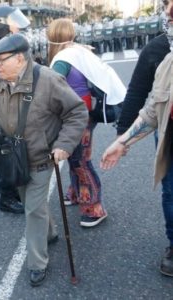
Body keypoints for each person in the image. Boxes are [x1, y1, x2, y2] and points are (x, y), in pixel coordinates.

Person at [0, 33, 88, 286]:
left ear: (20, 58)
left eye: (1, 60)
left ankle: (37, 263)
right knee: (30, 204)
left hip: (43, 157)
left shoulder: (48, 80)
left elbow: (77, 111)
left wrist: (64, 145)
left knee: (33, 209)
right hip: (14, 158)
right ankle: (50, 232)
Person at [113, 0, 173, 277]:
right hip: (169, 134)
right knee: (171, 192)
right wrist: (121, 138)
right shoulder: (160, 55)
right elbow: (143, 99)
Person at [47, 18, 119, 227]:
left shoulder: (61, 59)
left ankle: (95, 207)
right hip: (86, 113)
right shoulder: (77, 51)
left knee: (80, 160)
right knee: (75, 157)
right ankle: (77, 193)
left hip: (76, 117)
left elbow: (51, 86)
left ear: (53, 37)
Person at [0, 5, 31, 214]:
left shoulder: (8, 48)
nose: (17, 27)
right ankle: (7, 199)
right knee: (7, 158)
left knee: (16, 157)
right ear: (2, 25)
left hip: (14, 111)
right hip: (3, 113)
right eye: (13, 22)